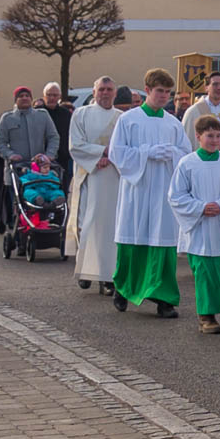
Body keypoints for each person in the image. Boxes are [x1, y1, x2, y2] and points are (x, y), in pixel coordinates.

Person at [107, 69, 189, 318]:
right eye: (159, 91)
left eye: (167, 92)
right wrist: (145, 153)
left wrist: (172, 154)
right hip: (137, 190)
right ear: (147, 90)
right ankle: (123, 288)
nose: (164, 96)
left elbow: (186, 156)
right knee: (134, 239)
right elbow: (116, 153)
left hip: (163, 190)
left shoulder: (173, 123)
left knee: (163, 242)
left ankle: (164, 299)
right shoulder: (128, 120)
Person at [170, 116, 220, 335]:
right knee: (204, 272)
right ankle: (206, 316)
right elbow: (176, 195)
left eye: (217, 135)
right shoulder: (187, 163)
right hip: (200, 228)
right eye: (209, 136)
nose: (214, 140)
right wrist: (200, 207)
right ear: (198, 136)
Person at [66, 77, 122, 293]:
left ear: (114, 93)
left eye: (109, 89)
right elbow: (76, 145)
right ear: (94, 91)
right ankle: (87, 269)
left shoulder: (121, 118)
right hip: (90, 176)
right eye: (101, 89)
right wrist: (99, 154)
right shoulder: (81, 114)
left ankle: (108, 277)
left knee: (110, 228)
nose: (105, 93)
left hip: (114, 178)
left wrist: (112, 157)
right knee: (88, 224)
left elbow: (126, 146)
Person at [0, 86, 59, 227]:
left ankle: (41, 229)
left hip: (39, 171)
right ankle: (20, 234)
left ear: (31, 98)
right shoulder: (7, 118)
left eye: (27, 96)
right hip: (17, 172)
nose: (24, 98)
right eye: (21, 96)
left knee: (40, 202)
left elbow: (53, 137)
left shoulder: (42, 116)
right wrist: (10, 155)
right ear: (16, 100)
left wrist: (48, 156)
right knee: (18, 206)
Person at [39, 83, 74, 191]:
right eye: (49, 95)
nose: (52, 98)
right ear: (44, 96)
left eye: (55, 95)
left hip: (62, 159)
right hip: (40, 159)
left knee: (61, 191)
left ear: (59, 97)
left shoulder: (66, 114)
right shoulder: (37, 113)